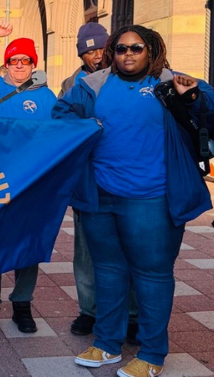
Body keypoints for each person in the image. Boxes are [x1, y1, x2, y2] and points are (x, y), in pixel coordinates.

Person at [53, 25, 214, 377]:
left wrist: (194, 96)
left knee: (152, 276)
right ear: (112, 52)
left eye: (136, 48)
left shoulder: (170, 81)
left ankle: (152, 354)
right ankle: (107, 344)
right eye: (121, 48)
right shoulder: (91, 84)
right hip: (99, 196)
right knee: (108, 271)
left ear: (151, 50)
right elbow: (61, 116)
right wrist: (83, 125)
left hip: (152, 199)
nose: (128, 54)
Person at [0, 21, 56, 335]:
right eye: (13, 60)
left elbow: (61, 135)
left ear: (33, 65)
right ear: (6, 64)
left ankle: (22, 303)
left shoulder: (47, 97)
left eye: (25, 60)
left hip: (31, 183)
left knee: (27, 243)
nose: (19, 65)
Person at [60, 22, 140, 343]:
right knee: (87, 251)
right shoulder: (71, 85)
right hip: (87, 180)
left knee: (131, 248)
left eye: (101, 49)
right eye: (89, 50)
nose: (96, 55)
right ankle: (89, 310)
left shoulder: (129, 78)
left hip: (126, 178)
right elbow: (61, 128)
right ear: (81, 54)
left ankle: (132, 315)